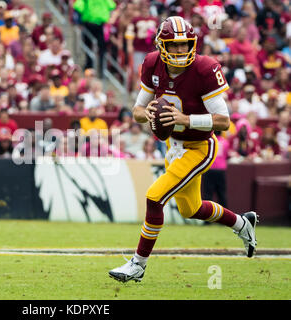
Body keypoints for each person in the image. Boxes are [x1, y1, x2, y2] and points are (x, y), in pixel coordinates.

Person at [109, 16, 259, 284]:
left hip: (200, 146)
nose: (180, 51)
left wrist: (185, 119)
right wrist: (150, 113)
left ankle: (138, 265)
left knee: (155, 197)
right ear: (161, 44)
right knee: (192, 209)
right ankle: (241, 223)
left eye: (184, 44)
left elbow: (224, 121)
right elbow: (137, 111)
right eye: (174, 45)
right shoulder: (152, 62)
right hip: (173, 146)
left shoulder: (204, 68)